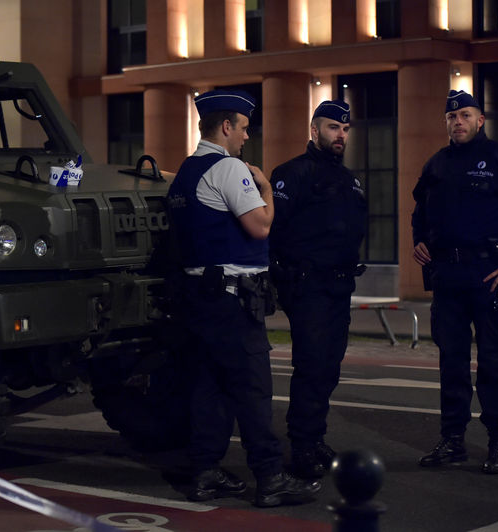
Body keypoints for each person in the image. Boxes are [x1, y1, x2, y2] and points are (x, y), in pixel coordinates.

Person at [167, 89, 320, 507]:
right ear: (227, 126)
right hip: (231, 300)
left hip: (199, 296)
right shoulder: (228, 168)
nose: (246, 138)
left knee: (208, 389)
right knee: (253, 390)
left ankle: (206, 471)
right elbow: (261, 226)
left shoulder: (186, 171)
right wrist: (266, 187)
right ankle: (270, 477)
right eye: (244, 128)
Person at [412, 90, 498, 474]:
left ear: (480, 121)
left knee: (495, 358)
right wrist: (418, 242)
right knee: (450, 361)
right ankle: (452, 441)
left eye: (465, 115)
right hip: (447, 280)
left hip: (494, 281)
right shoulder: (436, 164)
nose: (458, 121)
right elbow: (419, 213)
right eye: (452, 116)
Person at [268, 99, 367, 479]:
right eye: (332, 128)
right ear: (314, 130)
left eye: (344, 129)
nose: (340, 135)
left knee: (329, 368)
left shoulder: (349, 180)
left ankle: (315, 437)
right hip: (307, 286)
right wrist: (281, 280)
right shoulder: (292, 174)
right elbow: (273, 232)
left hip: (339, 286)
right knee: (310, 367)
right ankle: (302, 446)